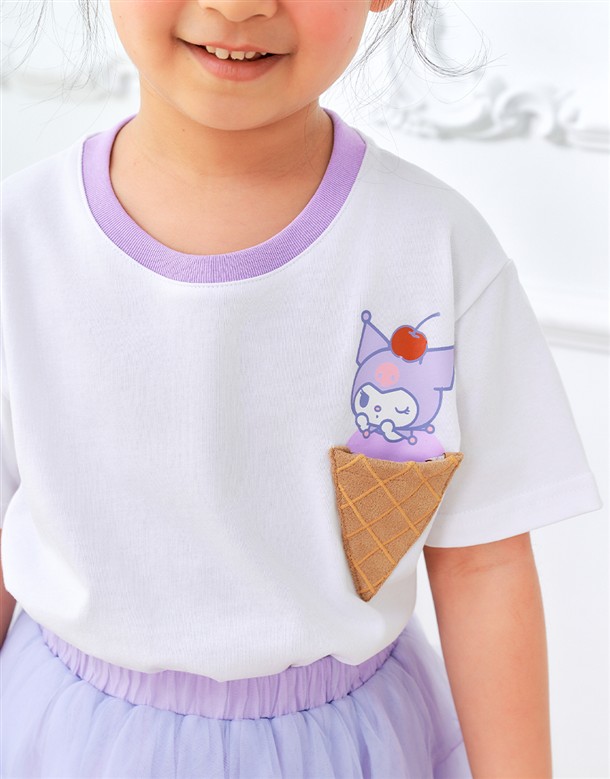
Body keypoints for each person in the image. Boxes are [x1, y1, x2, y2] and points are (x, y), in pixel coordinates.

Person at [0, 0, 602, 776]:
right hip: (64, 738)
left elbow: (482, 565)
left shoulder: (435, 247)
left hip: (349, 748)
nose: (237, 5)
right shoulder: (22, 237)